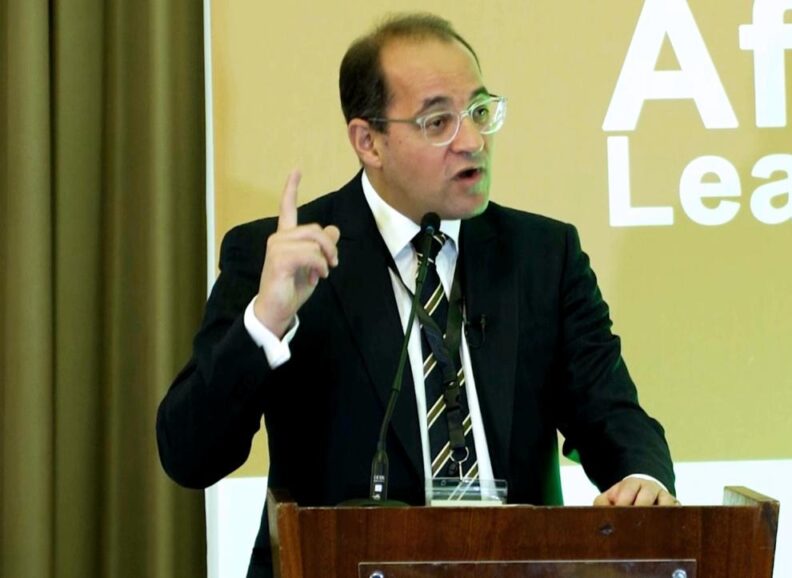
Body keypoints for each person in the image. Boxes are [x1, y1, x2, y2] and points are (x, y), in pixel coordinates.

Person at [157, 12, 675, 578]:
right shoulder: (281, 257)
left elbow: (609, 411)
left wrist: (642, 479)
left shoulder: (543, 255)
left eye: (479, 112)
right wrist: (266, 322)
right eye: (438, 122)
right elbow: (190, 456)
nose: (472, 141)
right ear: (369, 142)